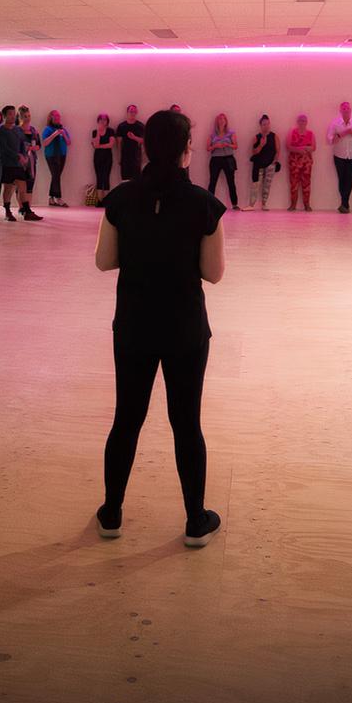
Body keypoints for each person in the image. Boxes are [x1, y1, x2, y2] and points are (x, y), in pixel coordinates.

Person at [93, 110, 226, 548]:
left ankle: (111, 513)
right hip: (185, 327)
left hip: (133, 324)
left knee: (126, 420)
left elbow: (104, 261)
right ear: (186, 150)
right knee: (186, 424)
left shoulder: (120, 198)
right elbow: (213, 273)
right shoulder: (204, 205)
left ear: (147, 148)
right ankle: (195, 521)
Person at [0, 105, 42, 222]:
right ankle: (7, 211)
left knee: (23, 186)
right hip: (7, 164)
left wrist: (24, 156)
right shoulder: (1, 130)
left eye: (14, 113)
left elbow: (22, 143)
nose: (13, 116)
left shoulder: (17, 130)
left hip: (18, 164)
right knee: (8, 188)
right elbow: (4, 148)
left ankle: (27, 211)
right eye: (10, 114)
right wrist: (18, 156)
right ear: (5, 116)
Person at [326, 101, 352, 214]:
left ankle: (344, 204)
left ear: (350, 110)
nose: (346, 110)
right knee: (342, 180)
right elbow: (330, 140)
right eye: (344, 108)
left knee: (350, 180)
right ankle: (345, 204)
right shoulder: (334, 123)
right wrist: (345, 132)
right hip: (339, 156)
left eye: (348, 108)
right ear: (340, 111)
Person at [206, 113, 241, 210]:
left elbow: (235, 146)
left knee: (231, 181)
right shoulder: (212, 135)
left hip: (228, 159)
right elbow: (208, 148)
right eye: (220, 119)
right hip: (216, 159)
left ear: (226, 121)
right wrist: (215, 146)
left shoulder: (231, 133)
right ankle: (209, 203)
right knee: (213, 181)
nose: (221, 120)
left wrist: (227, 144)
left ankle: (234, 204)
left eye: (223, 119)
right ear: (217, 121)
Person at [248, 115, 280, 210]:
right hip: (259, 164)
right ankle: (251, 205)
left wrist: (274, 161)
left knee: (267, 185)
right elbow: (254, 152)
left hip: (270, 164)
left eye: (268, 124)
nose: (266, 126)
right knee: (256, 184)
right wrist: (261, 145)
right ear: (261, 125)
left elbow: (278, 150)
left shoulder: (274, 136)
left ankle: (264, 204)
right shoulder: (256, 137)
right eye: (264, 124)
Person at [286, 113, 316, 211]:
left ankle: (307, 205)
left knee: (306, 183)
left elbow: (314, 147)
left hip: (306, 164)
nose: (302, 122)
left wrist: (307, 148)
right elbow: (288, 146)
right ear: (297, 122)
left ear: (306, 122)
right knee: (294, 184)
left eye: (304, 121)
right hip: (294, 163)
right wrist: (298, 150)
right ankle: (293, 204)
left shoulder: (310, 133)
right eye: (300, 120)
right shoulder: (292, 132)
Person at [42, 110, 71, 208]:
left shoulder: (63, 129)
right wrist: (54, 134)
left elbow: (69, 142)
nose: (57, 118)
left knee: (56, 176)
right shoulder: (47, 129)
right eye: (55, 116)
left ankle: (51, 198)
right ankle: (58, 198)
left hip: (62, 155)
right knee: (56, 175)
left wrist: (64, 134)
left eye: (58, 116)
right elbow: (45, 143)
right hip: (51, 155)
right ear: (51, 118)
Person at [115, 105, 145, 182]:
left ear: (136, 113)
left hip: (136, 156)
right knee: (125, 180)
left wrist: (134, 137)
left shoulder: (140, 126)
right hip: (125, 156)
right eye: (131, 111)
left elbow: (144, 141)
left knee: (136, 180)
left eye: (134, 111)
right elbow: (119, 143)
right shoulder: (121, 126)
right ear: (127, 112)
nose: (132, 113)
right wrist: (119, 156)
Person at [18, 105, 42, 197]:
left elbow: (39, 145)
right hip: (20, 162)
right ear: (20, 117)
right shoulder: (17, 130)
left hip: (31, 161)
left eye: (29, 116)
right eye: (25, 116)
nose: (28, 118)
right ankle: (22, 205)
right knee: (20, 187)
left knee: (30, 185)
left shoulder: (33, 130)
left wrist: (34, 148)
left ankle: (28, 205)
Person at [90, 113, 116, 198]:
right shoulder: (95, 132)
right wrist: (98, 131)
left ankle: (107, 200)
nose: (103, 121)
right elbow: (95, 145)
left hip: (107, 157)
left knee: (106, 177)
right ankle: (100, 200)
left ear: (107, 121)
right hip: (97, 157)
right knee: (99, 177)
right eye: (101, 119)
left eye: (104, 119)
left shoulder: (111, 131)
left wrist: (99, 146)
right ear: (98, 121)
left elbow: (111, 145)